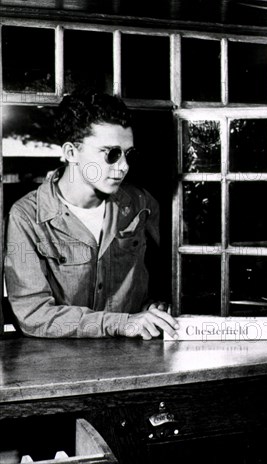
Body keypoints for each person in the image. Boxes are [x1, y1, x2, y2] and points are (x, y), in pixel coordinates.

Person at [4, 92, 179, 340]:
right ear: (71, 153)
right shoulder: (27, 216)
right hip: (59, 366)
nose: (124, 166)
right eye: (110, 154)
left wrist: (155, 306)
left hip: (136, 359)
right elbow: (33, 314)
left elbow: (164, 279)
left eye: (127, 154)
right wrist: (120, 322)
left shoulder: (141, 203)